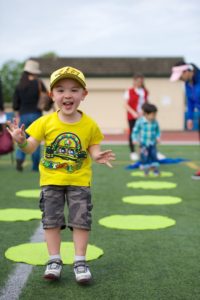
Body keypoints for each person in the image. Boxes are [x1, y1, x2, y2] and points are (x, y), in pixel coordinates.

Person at [7, 66, 115, 283]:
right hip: (51, 182)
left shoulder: (89, 124)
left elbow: (93, 146)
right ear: (52, 95)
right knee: (51, 222)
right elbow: (30, 147)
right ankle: (54, 260)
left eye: (75, 90)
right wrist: (20, 141)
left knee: (81, 222)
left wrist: (97, 155)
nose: (67, 94)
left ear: (84, 95)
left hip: (79, 182)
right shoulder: (45, 122)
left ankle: (80, 261)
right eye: (61, 90)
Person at [12, 59, 48, 172]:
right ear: (35, 71)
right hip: (36, 115)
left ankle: (19, 158)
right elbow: (48, 97)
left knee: (22, 138)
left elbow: (15, 105)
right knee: (35, 139)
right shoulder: (39, 83)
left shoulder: (20, 85)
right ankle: (35, 166)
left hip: (23, 115)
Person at [170, 61, 200, 180]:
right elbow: (191, 101)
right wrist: (190, 118)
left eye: (180, 76)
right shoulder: (188, 84)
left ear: (187, 71)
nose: (180, 79)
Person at [124, 74, 148, 161]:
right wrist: (133, 113)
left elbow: (146, 103)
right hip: (132, 116)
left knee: (144, 133)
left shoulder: (145, 91)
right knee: (133, 133)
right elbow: (125, 104)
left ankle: (143, 151)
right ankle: (133, 152)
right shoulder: (129, 91)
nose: (139, 83)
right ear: (134, 81)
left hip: (143, 116)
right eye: (138, 81)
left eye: (141, 81)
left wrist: (144, 112)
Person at [132, 102, 161, 176]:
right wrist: (134, 139)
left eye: (155, 115)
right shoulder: (140, 121)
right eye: (153, 115)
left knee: (154, 156)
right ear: (146, 114)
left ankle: (155, 170)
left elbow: (158, 131)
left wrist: (158, 137)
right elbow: (135, 131)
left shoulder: (155, 122)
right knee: (144, 157)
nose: (154, 116)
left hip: (152, 143)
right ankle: (146, 171)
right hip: (143, 144)